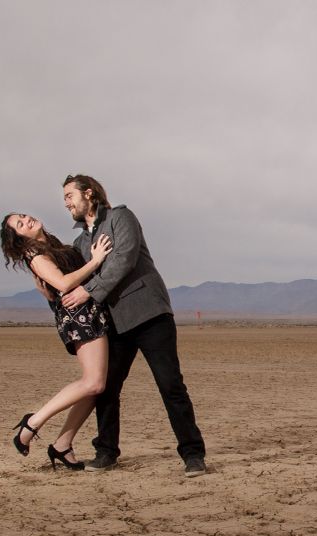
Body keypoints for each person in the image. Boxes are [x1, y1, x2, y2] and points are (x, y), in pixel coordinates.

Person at [60, 174, 207, 476]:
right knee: (106, 388)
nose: (66, 203)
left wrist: (88, 290)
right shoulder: (80, 243)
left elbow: (124, 259)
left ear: (89, 193)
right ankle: (106, 451)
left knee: (170, 385)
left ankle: (193, 454)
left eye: (69, 196)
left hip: (149, 313)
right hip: (114, 323)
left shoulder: (121, 217)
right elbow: (71, 277)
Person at [0, 212, 114, 470]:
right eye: (20, 224)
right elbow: (63, 283)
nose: (27, 220)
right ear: (18, 238)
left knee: (95, 387)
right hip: (79, 314)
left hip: (88, 311)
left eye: (24, 216)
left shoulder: (51, 245)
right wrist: (96, 261)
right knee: (94, 383)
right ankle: (32, 422)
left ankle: (62, 445)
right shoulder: (33, 253)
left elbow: (52, 290)